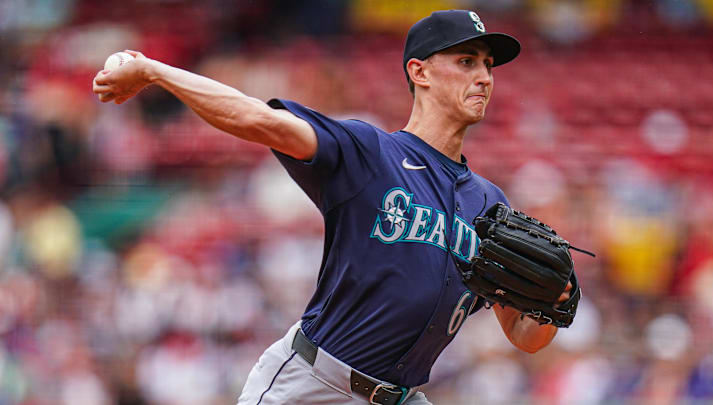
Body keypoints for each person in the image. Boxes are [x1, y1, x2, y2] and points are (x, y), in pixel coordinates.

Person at [93, 9, 572, 405]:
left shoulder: (489, 203)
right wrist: (154, 71)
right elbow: (256, 119)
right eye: (467, 61)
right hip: (312, 386)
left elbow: (524, 337)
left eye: (488, 65)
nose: (484, 77)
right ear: (419, 72)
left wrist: (551, 305)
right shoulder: (369, 153)